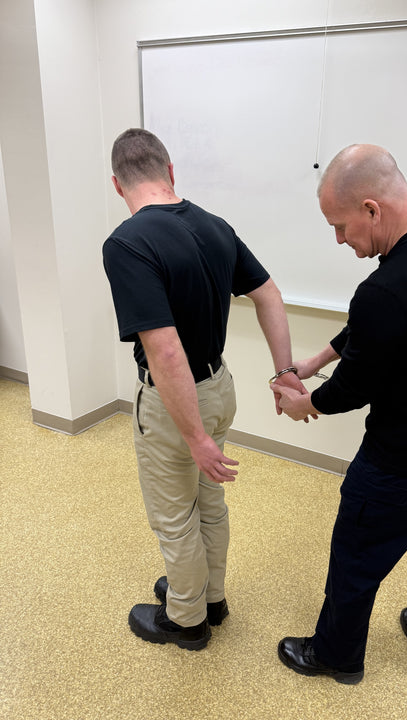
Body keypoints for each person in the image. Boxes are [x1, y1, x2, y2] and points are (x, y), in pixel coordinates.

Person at [272, 144, 407, 685]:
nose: (339, 239)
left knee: (356, 553)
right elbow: (377, 328)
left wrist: (306, 403)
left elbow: (354, 386)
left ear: (372, 209)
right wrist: (317, 359)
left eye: (340, 226)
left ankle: (336, 656)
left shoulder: (386, 289)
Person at [103, 128, 306, 651]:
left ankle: (187, 620)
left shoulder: (126, 243)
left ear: (117, 184)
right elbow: (270, 295)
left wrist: (193, 435)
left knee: (175, 516)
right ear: (170, 172)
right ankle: (211, 598)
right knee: (208, 501)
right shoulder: (215, 226)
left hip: (175, 406)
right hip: (219, 389)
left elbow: (165, 352)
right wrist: (284, 372)